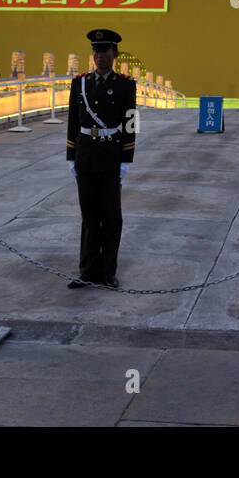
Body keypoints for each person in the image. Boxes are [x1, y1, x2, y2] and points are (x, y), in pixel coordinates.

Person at [65, 28, 137, 288]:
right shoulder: (80, 83)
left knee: (112, 216)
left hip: (111, 155)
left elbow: (130, 122)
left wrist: (126, 160)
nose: (100, 56)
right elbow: (73, 120)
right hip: (86, 155)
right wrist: (71, 155)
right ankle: (87, 271)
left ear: (114, 54)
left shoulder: (125, 85)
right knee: (88, 216)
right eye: (96, 51)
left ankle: (108, 272)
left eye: (105, 51)